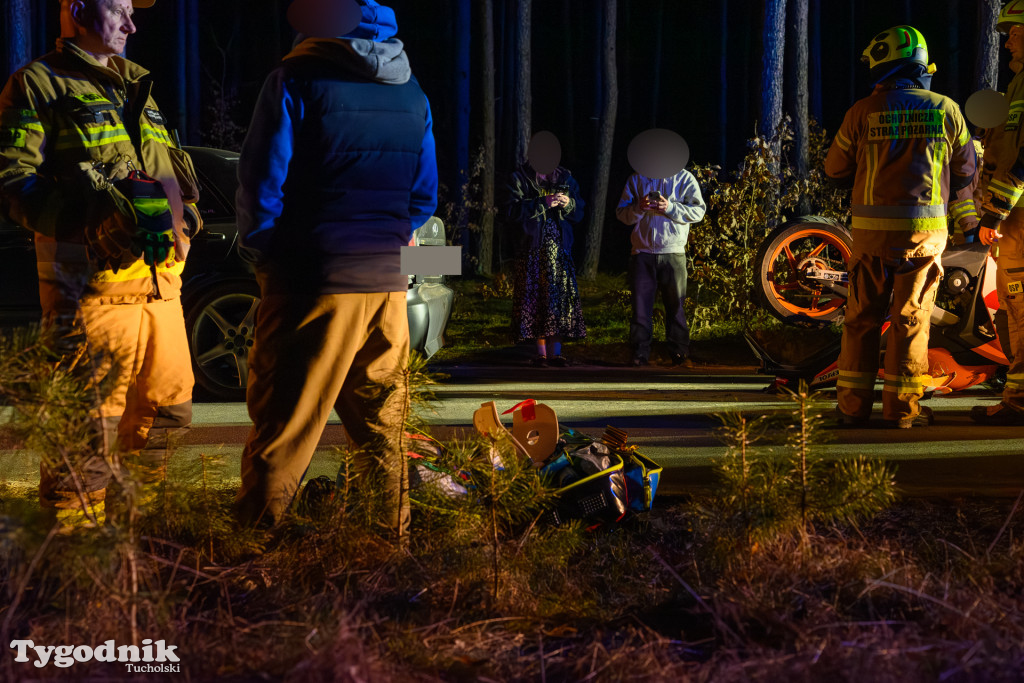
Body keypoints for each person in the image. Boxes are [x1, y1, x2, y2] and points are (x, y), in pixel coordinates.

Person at [233, 0, 438, 537]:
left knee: (286, 425)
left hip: (313, 280)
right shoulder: (411, 92)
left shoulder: (294, 80)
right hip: (387, 285)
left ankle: (253, 558)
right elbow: (424, 197)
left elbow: (260, 186)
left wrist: (271, 257)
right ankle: (388, 552)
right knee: (383, 431)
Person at [0, 0, 202, 528]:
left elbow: (170, 176)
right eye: (119, 11)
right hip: (92, 292)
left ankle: (134, 534)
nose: (133, 25)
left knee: (168, 412)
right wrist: (91, 220)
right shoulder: (38, 84)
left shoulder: (139, 87)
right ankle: (75, 555)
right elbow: (11, 182)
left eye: (134, 13)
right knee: (88, 428)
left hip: (162, 288)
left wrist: (188, 219)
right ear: (79, 10)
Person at [826, 25, 976, 429]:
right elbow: (965, 171)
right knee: (910, 322)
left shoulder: (862, 112)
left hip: (872, 239)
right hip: (924, 240)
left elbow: (834, 168)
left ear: (885, 62)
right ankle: (902, 413)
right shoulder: (946, 110)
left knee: (860, 322)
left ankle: (851, 410)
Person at [971, 3, 1024, 426]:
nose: (1007, 40)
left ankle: (1020, 402)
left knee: (1022, 307)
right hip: (1013, 217)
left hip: (1019, 217)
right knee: (1011, 305)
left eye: (1015, 31)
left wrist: (996, 212)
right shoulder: (1017, 84)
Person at [615, 165, 706, 367]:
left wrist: (671, 207)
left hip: (673, 252)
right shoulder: (637, 179)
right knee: (640, 307)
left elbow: (699, 211)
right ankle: (640, 353)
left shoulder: (684, 178)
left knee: (676, 305)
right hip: (642, 252)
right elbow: (622, 214)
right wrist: (639, 208)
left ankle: (679, 353)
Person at [505, 157, 586, 367]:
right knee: (537, 299)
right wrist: (543, 202)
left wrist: (569, 204)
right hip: (532, 248)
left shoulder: (565, 177)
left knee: (557, 300)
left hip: (559, 249)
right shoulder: (519, 178)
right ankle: (540, 353)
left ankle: (556, 353)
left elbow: (579, 212)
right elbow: (511, 211)